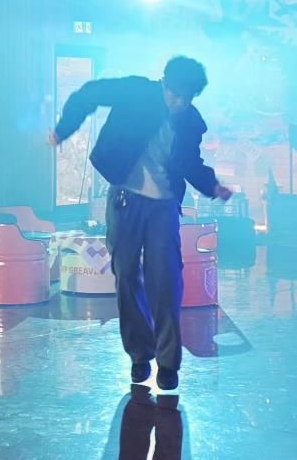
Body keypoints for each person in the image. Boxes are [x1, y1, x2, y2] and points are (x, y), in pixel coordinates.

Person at [49, 56, 231, 391]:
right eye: (175, 94)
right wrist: (64, 128)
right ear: (164, 83)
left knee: (166, 280)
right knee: (126, 276)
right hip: (125, 199)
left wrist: (212, 186)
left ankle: (168, 362)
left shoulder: (191, 121)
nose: (180, 103)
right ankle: (139, 356)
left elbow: (190, 162)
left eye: (188, 97)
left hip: (164, 206)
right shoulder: (136, 92)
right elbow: (89, 93)